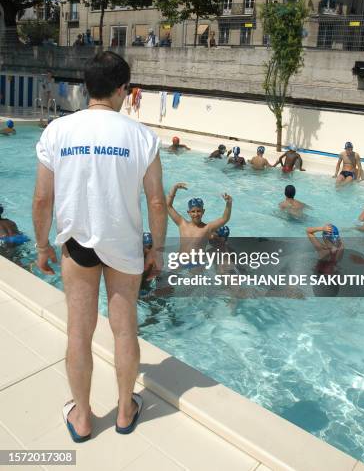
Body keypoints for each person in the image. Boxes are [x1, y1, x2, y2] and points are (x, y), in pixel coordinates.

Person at [32, 51, 167, 442]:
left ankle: (84, 418)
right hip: (124, 248)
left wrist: (42, 246)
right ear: (123, 88)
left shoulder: (58, 131)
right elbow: (156, 202)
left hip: (77, 246)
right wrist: (156, 250)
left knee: (79, 333)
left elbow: (43, 199)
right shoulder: (142, 135)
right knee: (125, 332)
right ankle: (126, 411)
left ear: (86, 86)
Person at [167, 183, 232, 255]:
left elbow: (225, 218)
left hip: (197, 265)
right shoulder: (182, 224)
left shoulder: (207, 228)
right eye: (193, 211)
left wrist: (229, 203)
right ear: (188, 212)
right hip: (181, 262)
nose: (196, 214)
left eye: (198, 211)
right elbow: (168, 206)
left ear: (203, 211)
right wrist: (174, 188)